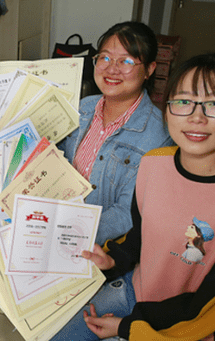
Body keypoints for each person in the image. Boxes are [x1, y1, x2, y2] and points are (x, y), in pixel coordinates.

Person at [52, 53, 215, 340]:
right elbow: (139, 236)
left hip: (193, 324)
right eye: (183, 102)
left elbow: (210, 303)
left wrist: (128, 327)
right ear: (167, 110)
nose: (196, 117)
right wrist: (112, 260)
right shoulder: (153, 164)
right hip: (135, 292)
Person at [57, 21, 172, 245]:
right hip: (58, 224)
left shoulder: (160, 136)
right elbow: (57, 160)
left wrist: (71, 236)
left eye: (126, 61)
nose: (111, 69)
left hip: (100, 247)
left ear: (149, 69)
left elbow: (128, 211)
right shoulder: (83, 107)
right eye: (105, 58)